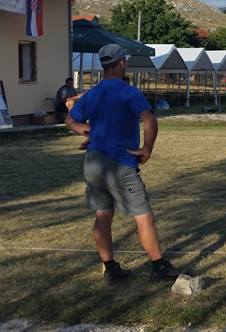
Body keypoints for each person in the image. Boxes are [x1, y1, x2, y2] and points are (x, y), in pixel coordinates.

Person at [65, 44, 181, 283]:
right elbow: (150, 121)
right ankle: (158, 266)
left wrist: (86, 130)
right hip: (119, 164)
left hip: (93, 163)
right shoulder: (129, 92)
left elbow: (70, 119)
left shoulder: (92, 94)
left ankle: (110, 267)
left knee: (103, 214)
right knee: (143, 216)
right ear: (121, 64)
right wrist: (146, 149)